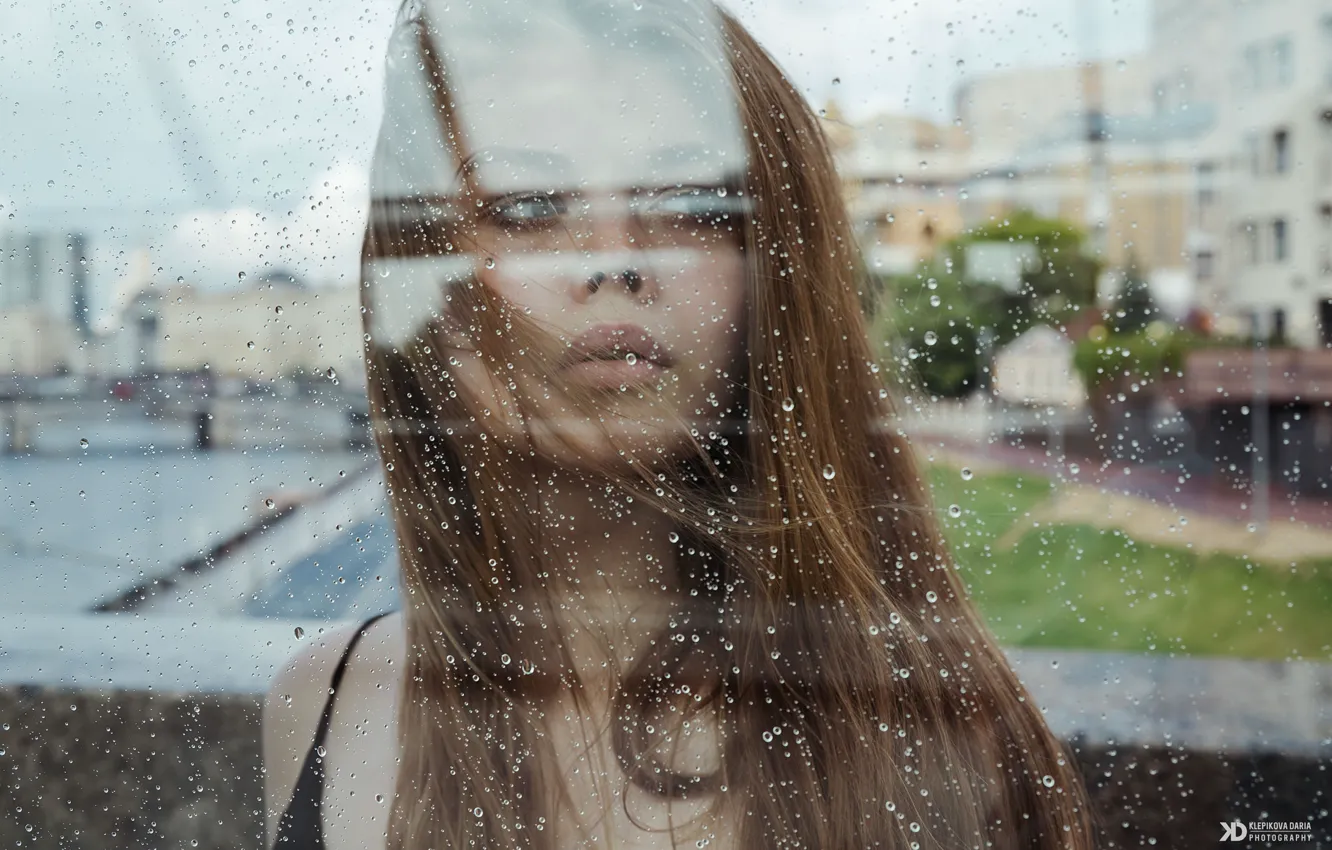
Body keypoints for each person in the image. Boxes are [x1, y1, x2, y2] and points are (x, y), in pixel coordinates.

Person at [262, 1, 1097, 848]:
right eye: (526, 207)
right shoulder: (329, 703)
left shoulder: (945, 740)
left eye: (691, 204)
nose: (615, 258)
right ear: (427, 284)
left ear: (773, 277)